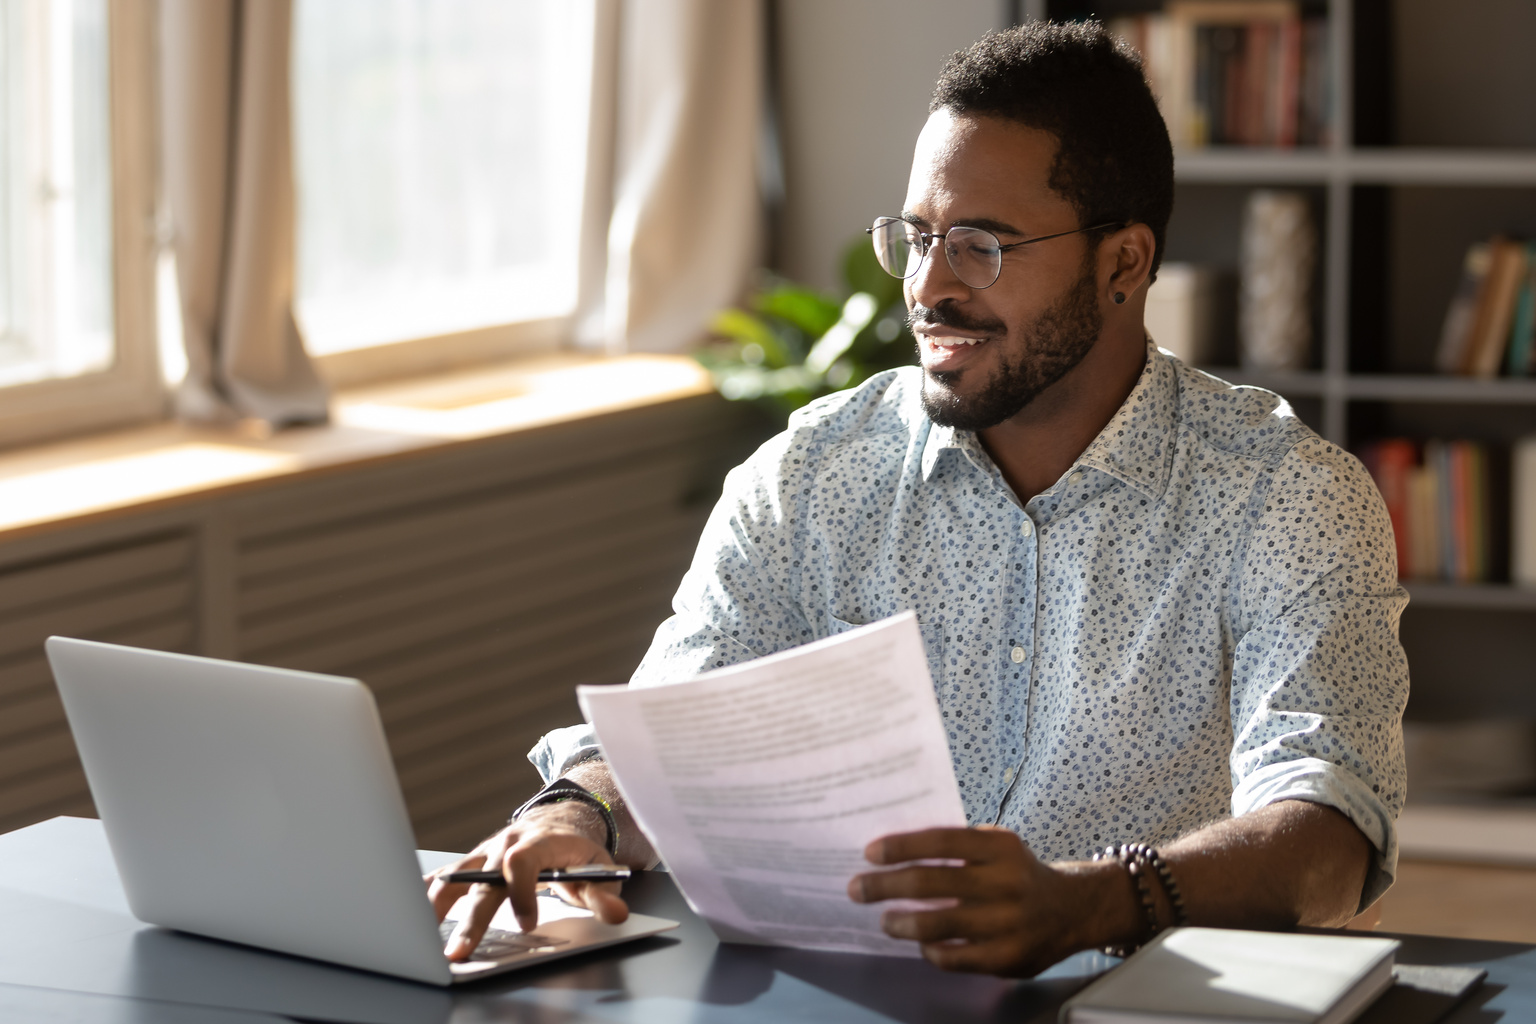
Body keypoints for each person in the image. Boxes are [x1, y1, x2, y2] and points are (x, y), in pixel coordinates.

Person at [427, 21, 1408, 977]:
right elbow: (670, 730)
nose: (930, 287)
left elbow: (1330, 832)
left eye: (982, 244)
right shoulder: (815, 472)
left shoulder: (1286, 495)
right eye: (919, 235)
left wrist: (1091, 904)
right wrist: (575, 810)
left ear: (1123, 263)